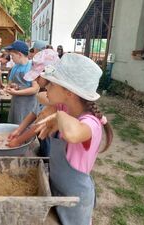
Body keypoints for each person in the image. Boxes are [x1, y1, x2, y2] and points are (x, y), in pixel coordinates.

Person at [35, 53, 113, 225]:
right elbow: (41, 96)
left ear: (69, 92)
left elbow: (72, 134)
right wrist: (54, 110)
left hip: (76, 200)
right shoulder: (65, 106)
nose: (47, 87)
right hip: (57, 189)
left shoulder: (90, 123)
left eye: (52, 84)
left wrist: (58, 115)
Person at [7, 49, 60, 157]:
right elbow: (34, 113)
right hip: (43, 137)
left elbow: (40, 123)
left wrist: (18, 141)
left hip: (53, 139)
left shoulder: (55, 96)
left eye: (38, 76)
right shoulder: (44, 91)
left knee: (49, 156)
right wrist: (18, 130)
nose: (35, 79)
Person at [5, 40, 39, 124]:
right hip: (16, 103)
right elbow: (9, 84)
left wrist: (17, 92)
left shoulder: (32, 67)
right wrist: (12, 86)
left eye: (12, 55)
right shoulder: (14, 68)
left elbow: (35, 89)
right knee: (15, 125)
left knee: (26, 126)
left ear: (19, 55)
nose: (11, 58)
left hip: (28, 103)